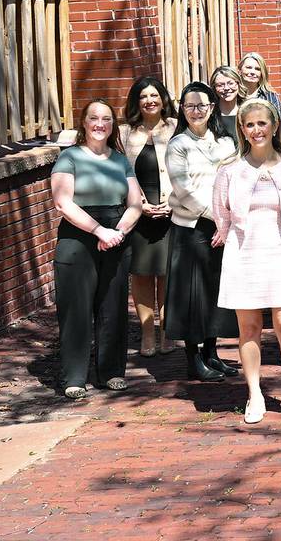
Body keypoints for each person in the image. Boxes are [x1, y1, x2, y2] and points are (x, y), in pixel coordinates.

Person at [211, 98, 281, 424]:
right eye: (249, 124)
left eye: (262, 123)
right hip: (243, 251)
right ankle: (254, 392)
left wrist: (279, 237)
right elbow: (221, 213)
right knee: (249, 327)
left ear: (275, 126)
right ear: (242, 129)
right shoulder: (229, 170)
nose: (256, 130)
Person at [51, 100, 144, 398]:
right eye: (94, 118)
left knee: (113, 307)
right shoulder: (69, 158)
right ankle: (74, 377)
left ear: (113, 124)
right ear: (84, 122)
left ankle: (112, 371)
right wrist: (98, 230)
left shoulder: (120, 159)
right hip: (78, 239)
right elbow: (63, 202)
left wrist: (117, 232)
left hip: (116, 236)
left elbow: (135, 203)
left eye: (106, 119)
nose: (99, 124)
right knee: (76, 309)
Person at [166, 81, 239, 382]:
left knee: (215, 293)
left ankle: (212, 352)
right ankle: (192, 357)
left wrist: (227, 219)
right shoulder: (177, 145)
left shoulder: (225, 142)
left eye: (202, 105)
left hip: (223, 228)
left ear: (212, 108)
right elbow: (184, 190)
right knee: (191, 296)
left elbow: (236, 179)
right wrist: (217, 217)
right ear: (182, 109)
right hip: (191, 228)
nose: (196, 111)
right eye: (190, 105)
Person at [119, 77, 177, 357]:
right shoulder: (124, 133)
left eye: (154, 95)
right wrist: (139, 204)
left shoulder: (178, 128)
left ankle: (167, 331)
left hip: (172, 211)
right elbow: (119, 172)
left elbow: (189, 168)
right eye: (143, 96)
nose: (150, 100)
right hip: (138, 213)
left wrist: (174, 201)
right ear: (136, 102)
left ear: (163, 99)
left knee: (167, 273)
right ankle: (147, 334)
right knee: (141, 274)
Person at [209, 64, 243, 144]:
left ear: (238, 84)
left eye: (230, 83)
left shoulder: (248, 111)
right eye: (220, 85)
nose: (226, 88)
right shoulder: (209, 115)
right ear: (214, 88)